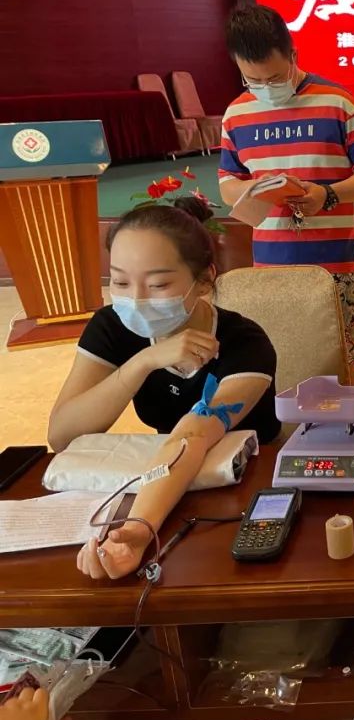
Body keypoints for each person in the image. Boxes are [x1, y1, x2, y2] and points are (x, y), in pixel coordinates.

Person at [48, 199, 280, 580]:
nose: (136, 299)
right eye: (120, 282)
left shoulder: (245, 343)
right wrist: (142, 362)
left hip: (244, 493)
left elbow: (194, 435)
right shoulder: (112, 327)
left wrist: (139, 531)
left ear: (204, 280)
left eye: (158, 285)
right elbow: (62, 434)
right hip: (163, 485)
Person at [217, 3, 354, 377]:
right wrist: (253, 192)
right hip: (270, 265)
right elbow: (227, 182)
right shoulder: (236, 115)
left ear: (293, 55)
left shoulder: (338, 102)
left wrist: (327, 195)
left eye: (275, 78)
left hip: (333, 265)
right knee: (281, 360)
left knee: (343, 363)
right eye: (253, 80)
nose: (266, 88)